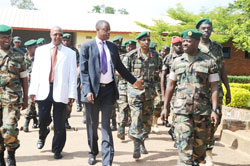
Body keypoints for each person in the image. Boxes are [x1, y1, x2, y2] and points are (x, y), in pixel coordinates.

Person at [80, 20, 142, 166]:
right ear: (97, 30)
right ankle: (93, 151)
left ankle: (107, 160)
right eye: (105, 30)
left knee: (106, 125)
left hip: (108, 90)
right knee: (93, 125)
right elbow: (83, 72)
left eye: (109, 30)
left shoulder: (112, 47)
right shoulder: (87, 47)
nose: (108, 33)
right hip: (92, 92)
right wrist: (87, 90)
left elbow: (120, 68)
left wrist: (134, 81)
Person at [161, 29, 219, 166]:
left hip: (202, 111)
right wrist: (165, 107)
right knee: (184, 144)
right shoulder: (176, 62)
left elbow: (214, 87)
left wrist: (214, 110)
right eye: (184, 41)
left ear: (197, 42)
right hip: (182, 110)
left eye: (188, 41)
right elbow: (170, 85)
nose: (185, 44)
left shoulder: (209, 62)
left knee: (199, 150)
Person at [29, 26, 77, 159]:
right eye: (55, 34)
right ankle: (42, 134)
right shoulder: (41, 51)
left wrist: (72, 93)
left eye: (60, 35)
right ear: (50, 35)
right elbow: (36, 72)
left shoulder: (70, 53)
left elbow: (72, 75)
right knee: (43, 118)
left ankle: (57, 149)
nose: (58, 37)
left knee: (60, 122)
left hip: (61, 90)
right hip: (44, 89)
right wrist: (32, 91)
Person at [196, 18, 231, 166]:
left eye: (209, 28)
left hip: (216, 90)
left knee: (215, 121)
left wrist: (228, 89)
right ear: (198, 30)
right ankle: (201, 152)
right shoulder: (192, 45)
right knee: (198, 123)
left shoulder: (217, 47)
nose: (206, 30)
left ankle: (207, 152)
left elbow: (222, 69)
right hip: (198, 91)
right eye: (203, 28)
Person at [122, 32, 161, 160]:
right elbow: (122, 72)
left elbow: (159, 72)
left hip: (149, 93)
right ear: (139, 42)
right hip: (135, 92)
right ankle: (136, 146)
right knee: (136, 117)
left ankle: (142, 139)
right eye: (144, 40)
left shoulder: (155, 56)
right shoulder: (131, 56)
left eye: (148, 40)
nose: (146, 42)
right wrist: (134, 82)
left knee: (147, 120)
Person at [0, 24, 28, 166]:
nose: (7, 40)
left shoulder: (18, 54)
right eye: (4, 37)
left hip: (12, 98)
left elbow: (24, 77)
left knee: (9, 128)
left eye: (9, 37)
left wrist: (26, 99)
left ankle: (11, 155)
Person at [161, 37, 183, 130]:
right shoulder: (168, 58)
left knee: (179, 111)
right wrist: (163, 94)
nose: (179, 46)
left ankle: (175, 129)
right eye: (176, 45)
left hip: (182, 89)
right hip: (170, 89)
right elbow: (162, 76)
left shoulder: (186, 56)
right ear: (173, 46)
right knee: (171, 108)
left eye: (180, 44)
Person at [116, 40, 137, 140]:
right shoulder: (121, 57)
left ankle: (132, 130)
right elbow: (115, 71)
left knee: (134, 109)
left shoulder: (138, 58)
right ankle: (121, 127)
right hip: (123, 86)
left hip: (135, 87)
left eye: (132, 46)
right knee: (123, 106)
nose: (129, 48)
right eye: (128, 46)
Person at [62, 33, 82, 129]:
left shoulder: (74, 51)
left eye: (68, 40)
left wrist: (76, 75)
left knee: (69, 101)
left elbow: (78, 64)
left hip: (70, 78)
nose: (66, 42)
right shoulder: (59, 50)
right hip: (61, 78)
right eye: (64, 40)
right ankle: (58, 120)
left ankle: (66, 119)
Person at [23, 39, 38, 132]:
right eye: (30, 48)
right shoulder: (23, 57)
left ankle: (27, 120)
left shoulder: (39, 57)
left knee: (31, 102)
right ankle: (35, 119)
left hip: (36, 84)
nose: (32, 50)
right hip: (26, 84)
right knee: (31, 102)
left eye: (33, 47)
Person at [110, 36, 124, 131]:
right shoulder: (109, 51)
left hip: (123, 83)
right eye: (116, 43)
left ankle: (122, 124)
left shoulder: (125, 53)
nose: (118, 45)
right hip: (112, 81)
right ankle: (113, 123)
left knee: (122, 105)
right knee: (112, 105)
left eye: (119, 43)